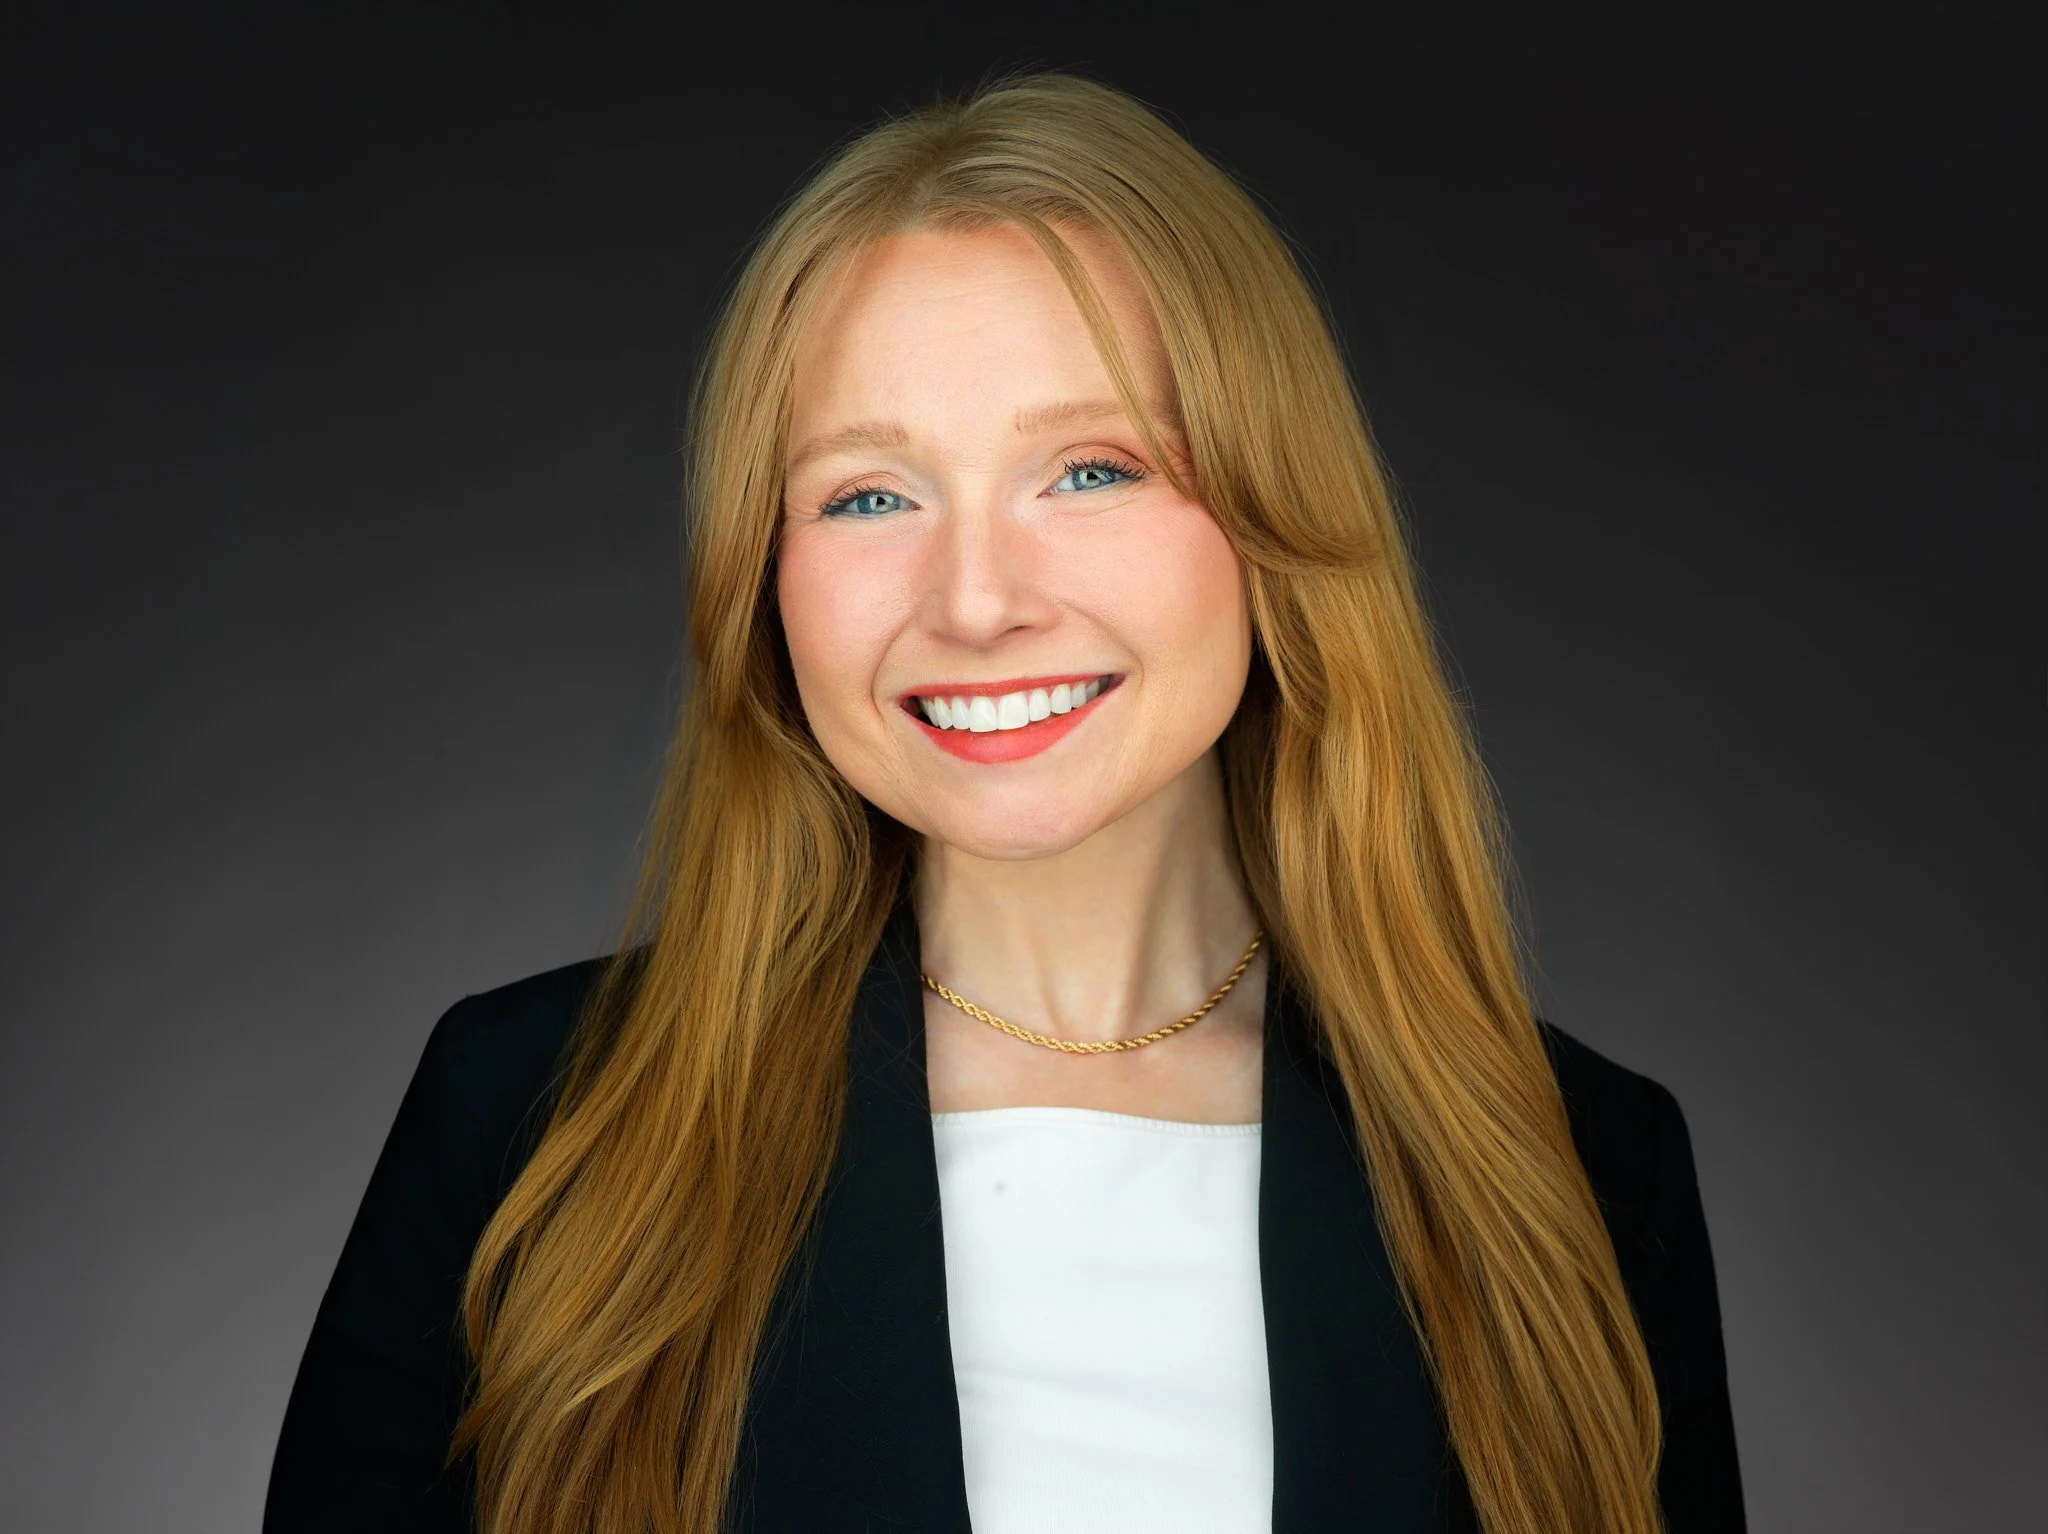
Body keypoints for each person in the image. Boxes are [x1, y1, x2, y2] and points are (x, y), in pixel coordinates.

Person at [265, 72, 1744, 1534]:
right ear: (763, 578)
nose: (975, 601)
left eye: (1088, 469)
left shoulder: (1581, 1167)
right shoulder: (525, 1124)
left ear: (1273, 513)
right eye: (868, 494)